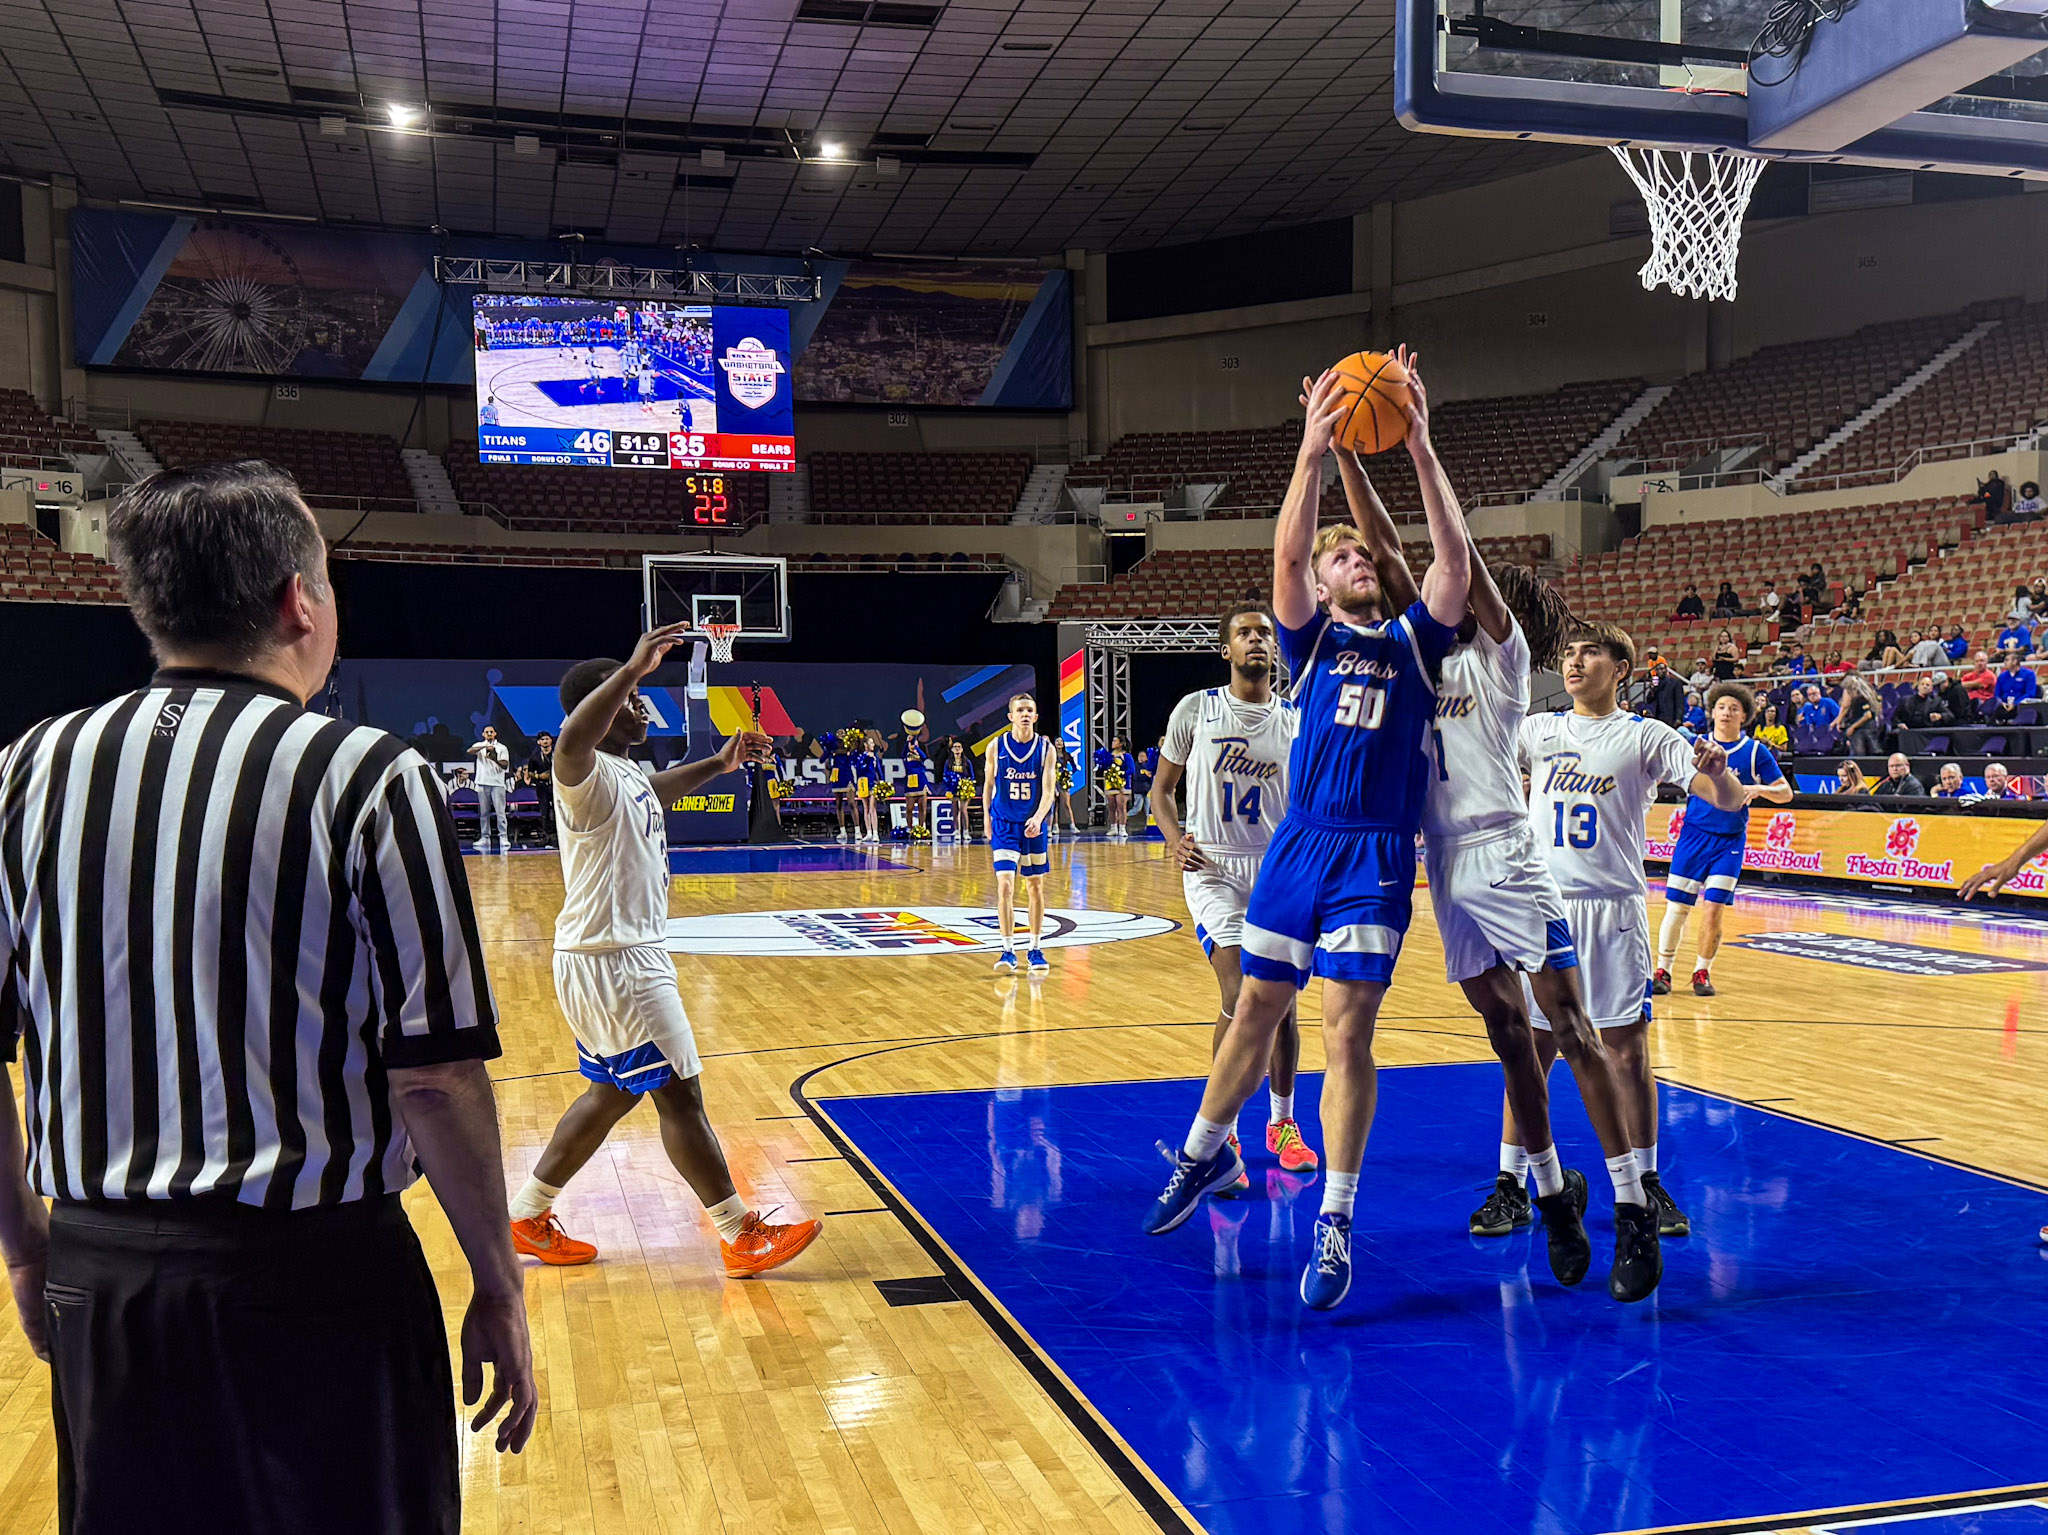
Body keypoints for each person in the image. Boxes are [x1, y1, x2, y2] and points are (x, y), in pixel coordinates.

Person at [0, 462, 535, 1532]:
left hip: (107, 1272)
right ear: (300, 597)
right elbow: (430, 1073)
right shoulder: (369, 774)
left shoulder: (22, 770)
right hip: (317, 1275)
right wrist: (498, 1281)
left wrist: (26, 1248)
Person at [1142, 351, 1472, 1314]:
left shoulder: (1417, 639)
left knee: (1347, 1032)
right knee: (1253, 1009)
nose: (1354, 560)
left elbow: (1451, 560)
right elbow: (1285, 556)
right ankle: (1203, 1155)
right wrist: (1311, 449)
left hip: (1374, 849)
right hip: (1300, 842)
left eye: (1364, 554)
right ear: (1321, 587)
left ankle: (1333, 1217)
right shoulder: (1310, 638)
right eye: (1342, 558)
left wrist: (1419, 443)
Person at [1340, 444, 1659, 1300]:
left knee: (1571, 1025)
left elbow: (1450, 551)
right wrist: (1341, 449)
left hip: (1509, 854)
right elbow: (1391, 551)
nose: (1449, 587)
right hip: (1444, 863)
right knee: (1507, 1036)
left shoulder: (1502, 658)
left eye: (1469, 585)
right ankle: (1552, 1191)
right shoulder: (1419, 650)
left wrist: (1419, 443)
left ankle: (1631, 1206)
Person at [506, 623, 823, 1277]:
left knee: (612, 1093)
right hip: (619, 960)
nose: (643, 705)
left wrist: (720, 762)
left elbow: (657, 793)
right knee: (680, 1094)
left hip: (607, 955)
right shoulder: (579, 768)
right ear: (603, 703)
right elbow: (571, 738)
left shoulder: (625, 772)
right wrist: (631, 668)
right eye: (632, 699)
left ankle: (528, 1212)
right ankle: (739, 1232)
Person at [1520, 624, 1745, 1248]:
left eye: (1590, 652)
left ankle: (1643, 1182)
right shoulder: (1537, 730)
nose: (1575, 662)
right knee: (1531, 1053)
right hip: (1543, 907)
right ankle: (1515, 1181)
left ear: (1621, 668)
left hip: (1613, 910)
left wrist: (1720, 773)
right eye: (1568, 653)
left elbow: (1722, 799)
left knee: (1626, 1052)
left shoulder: (1647, 735)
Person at [1149, 603, 1316, 1193]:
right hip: (1215, 867)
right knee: (1241, 992)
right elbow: (1160, 793)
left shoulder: (1296, 719)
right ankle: (1223, 1133)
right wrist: (1174, 840)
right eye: (1243, 632)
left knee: (1285, 1006)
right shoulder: (1197, 710)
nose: (1255, 641)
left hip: (1278, 871)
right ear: (1226, 648)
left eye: (1265, 634)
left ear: (1276, 649)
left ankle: (1282, 1124)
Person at [1654, 681, 1792, 1002]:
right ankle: (1663, 970)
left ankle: (1702, 971)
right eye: (1721, 707)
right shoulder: (1694, 745)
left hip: (1728, 841)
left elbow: (1785, 792)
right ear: (1712, 712)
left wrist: (1760, 789)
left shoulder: (1756, 751)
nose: (1726, 712)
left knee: (1714, 908)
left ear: (1744, 716)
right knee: (1678, 907)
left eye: (1734, 708)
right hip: (1693, 835)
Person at [985, 694, 1058, 972]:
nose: (1025, 714)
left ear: (1036, 717)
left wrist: (1039, 818)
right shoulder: (996, 746)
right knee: (1004, 886)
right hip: (1004, 823)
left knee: (1034, 887)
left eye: (1030, 710)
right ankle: (1007, 951)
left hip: (1032, 825)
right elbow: (989, 785)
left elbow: (1049, 791)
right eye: (1020, 710)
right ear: (1010, 717)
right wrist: (989, 821)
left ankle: (1036, 949)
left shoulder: (1045, 749)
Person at [469, 724, 513, 853]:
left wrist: (494, 758)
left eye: (491, 732)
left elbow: (505, 765)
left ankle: (503, 837)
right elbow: (469, 751)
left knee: (500, 812)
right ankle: (485, 837)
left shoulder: (502, 747)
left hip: (497, 783)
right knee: (483, 812)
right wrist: (484, 746)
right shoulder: (479, 745)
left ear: (495, 734)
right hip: (482, 782)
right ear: (483, 734)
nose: (489, 734)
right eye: (486, 732)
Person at [1096, 736, 1136, 840]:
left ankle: (1122, 828)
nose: (1112, 742)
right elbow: (1104, 767)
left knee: (1121, 806)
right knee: (1111, 806)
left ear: (1120, 744)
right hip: (1110, 784)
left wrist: (1120, 774)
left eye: (1115, 741)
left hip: (1122, 784)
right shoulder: (1109, 756)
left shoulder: (1126, 756)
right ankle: (1113, 827)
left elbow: (1131, 770)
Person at [525, 731, 558, 847]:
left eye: (547, 739)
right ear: (539, 742)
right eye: (543, 739)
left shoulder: (557, 755)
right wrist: (539, 776)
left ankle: (556, 838)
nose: (545, 741)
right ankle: (545, 837)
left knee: (556, 811)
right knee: (544, 812)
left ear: (551, 741)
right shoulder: (534, 757)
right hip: (542, 788)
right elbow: (529, 772)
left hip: (556, 787)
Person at [941, 737, 977, 841]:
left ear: (962, 749)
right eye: (955, 747)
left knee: (963, 810)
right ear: (952, 750)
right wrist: (947, 788)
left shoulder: (967, 762)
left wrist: (969, 786)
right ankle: (956, 831)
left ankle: (965, 831)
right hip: (953, 788)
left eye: (959, 747)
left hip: (964, 788)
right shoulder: (948, 762)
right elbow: (945, 775)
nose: (957, 749)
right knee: (955, 810)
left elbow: (972, 776)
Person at [1994, 651, 2041, 718]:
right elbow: (1997, 695)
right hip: (2004, 706)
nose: (2005, 662)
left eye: (2007, 660)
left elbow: (2030, 693)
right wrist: (2001, 703)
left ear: (2015, 661)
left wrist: (2015, 703)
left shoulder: (2029, 674)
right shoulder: (2002, 676)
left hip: (2020, 706)